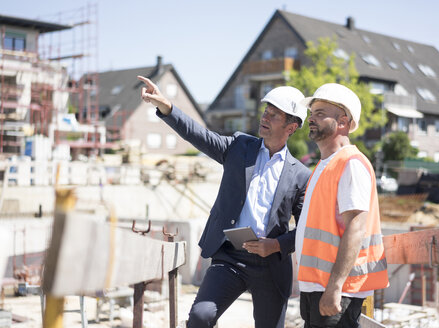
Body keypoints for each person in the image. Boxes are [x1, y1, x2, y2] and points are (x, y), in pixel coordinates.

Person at [137, 75, 312, 328]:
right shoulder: (240, 147)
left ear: (291, 127)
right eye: (266, 111)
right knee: (200, 317)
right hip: (231, 258)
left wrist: (275, 245)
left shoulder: (301, 175)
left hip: (271, 265)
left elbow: (306, 227)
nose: (264, 117)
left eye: (274, 115)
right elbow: (199, 136)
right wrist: (167, 107)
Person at [295, 83, 389, 327]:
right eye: (311, 113)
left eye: (320, 113)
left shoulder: (351, 163)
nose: (311, 119)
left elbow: (356, 229)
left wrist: (335, 287)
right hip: (316, 286)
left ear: (343, 122)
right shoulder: (324, 165)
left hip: (337, 290)